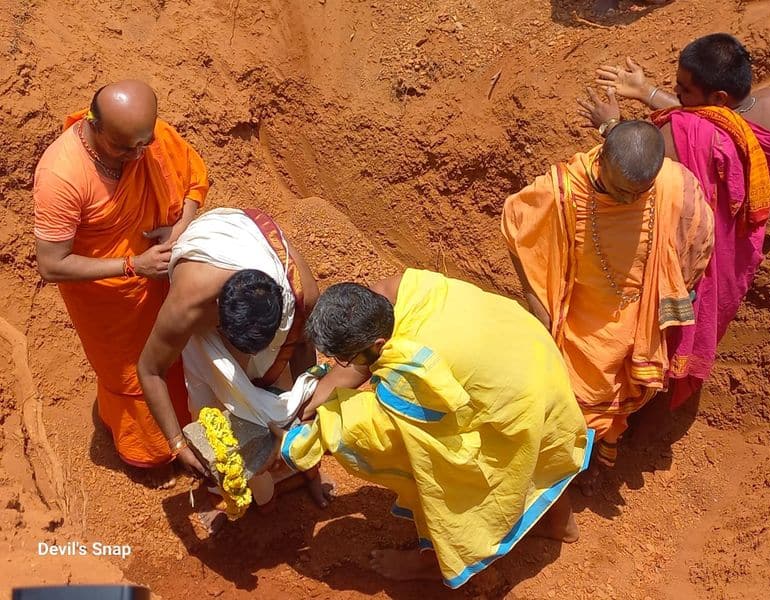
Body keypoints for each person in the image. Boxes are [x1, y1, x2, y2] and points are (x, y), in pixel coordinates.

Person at [269, 269, 592, 588]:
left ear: (377, 344)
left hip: (515, 405)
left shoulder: (413, 371)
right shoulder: (399, 290)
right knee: (539, 453)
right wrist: (305, 407)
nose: (340, 364)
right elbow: (363, 363)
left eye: (343, 357)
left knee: (439, 469)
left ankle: (432, 564)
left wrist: (307, 437)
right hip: (536, 358)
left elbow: (373, 432)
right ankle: (559, 522)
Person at [581, 33, 770, 407]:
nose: (675, 93)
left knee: (658, 325)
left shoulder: (678, 136)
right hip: (737, 244)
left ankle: (633, 401)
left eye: (682, 90)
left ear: (718, 98)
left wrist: (610, 127)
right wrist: (646, 91)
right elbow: (719, 121)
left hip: (693, 251)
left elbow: (636, 168)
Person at [501, 121, 714, 490]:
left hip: (640, 323)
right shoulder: (562, 190)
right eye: (620, 191)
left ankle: (589, 463)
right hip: (580, 325)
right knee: (575, 405)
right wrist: (542, 313)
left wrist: (676, 286)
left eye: (639, 192)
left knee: (620, 400)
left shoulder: (674, 186)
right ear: (602, 163)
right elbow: (518, 227)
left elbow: (698, 231)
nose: (630, 201)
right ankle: (563, 473)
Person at [33, 80, 208, 477]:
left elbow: (192, 178)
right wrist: (134, 266)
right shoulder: (61, 177)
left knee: (179, 355)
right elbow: (52, 264)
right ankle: (150, 453)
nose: (137, 155)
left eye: (142, 144)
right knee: (132, 373)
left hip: (164, 280)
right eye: (125, 147)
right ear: (94, 125)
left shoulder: (148, 138)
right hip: (112, 305)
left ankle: (188, 425)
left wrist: (179, 229)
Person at [137, 207, 329, 524]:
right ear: (217, 321)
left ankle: (292, 475)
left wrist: (299, 428)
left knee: (277, 405)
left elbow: (303, 354)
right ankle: (228, 487)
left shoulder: (300, 295)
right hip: (208, 296)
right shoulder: (188, 306)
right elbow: (149, 370)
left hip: (266, 314)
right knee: (210, 412)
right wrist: (177, 446)